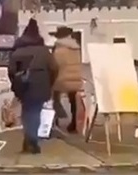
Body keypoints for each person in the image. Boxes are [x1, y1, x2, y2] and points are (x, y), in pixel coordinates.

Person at [8, 18, 58, 154]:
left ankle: (29, 141)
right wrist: (49, 83)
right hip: (41, 86)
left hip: (24, 87)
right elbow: (54, 69)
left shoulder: (17, 52)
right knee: (35, 113)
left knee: (27, 113)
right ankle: (32, 141)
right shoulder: (44, 52)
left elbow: (11, 71)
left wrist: (16, 85)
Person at [51, 26, 84, 133]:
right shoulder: (76, 47)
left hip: (61, 78)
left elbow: (54, 64)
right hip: (75, 78)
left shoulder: (59, 48)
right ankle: (73, 123)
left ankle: (55, 120)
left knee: (54, 97)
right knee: (73, 101)